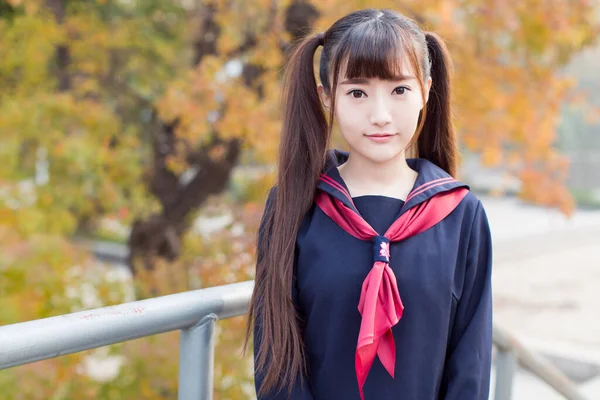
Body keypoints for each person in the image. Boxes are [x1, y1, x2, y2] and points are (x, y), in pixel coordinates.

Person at [244, 8, 493, 400]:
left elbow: (471, 366)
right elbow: (276, 357)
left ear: (426, 90)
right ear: (327, 96)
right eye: (357, 93)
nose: (380, 115)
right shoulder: (295, 205)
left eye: (399, 90)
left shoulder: (461, 214)